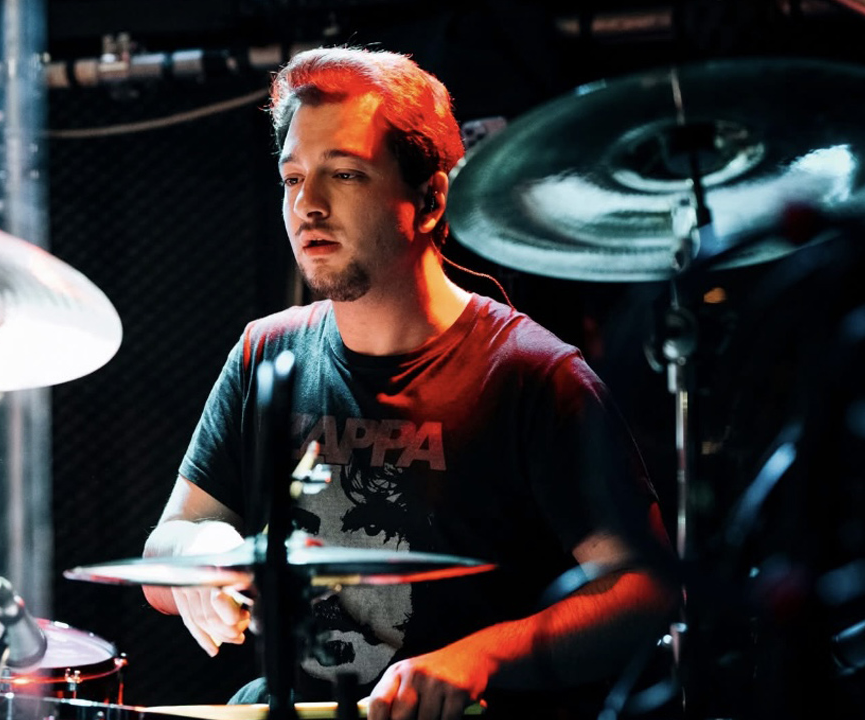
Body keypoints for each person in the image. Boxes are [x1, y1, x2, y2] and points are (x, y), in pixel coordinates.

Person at [142, 46, 678, 720]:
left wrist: (480, 658)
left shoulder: (532, 374)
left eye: (345, 174)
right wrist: (200, 558)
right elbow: (167, 549)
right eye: (293, 177)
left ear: (429, 199)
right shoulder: (265, 353)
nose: (307, 204)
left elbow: (644, 590)